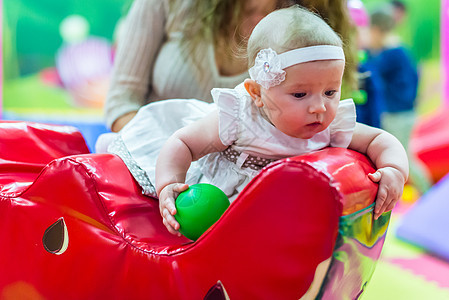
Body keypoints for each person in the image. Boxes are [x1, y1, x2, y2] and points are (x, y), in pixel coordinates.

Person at [107, 6, 409, 236]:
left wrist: (394, 169)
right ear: (257, 93)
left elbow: (379, 139)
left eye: (330, 91)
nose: (319, 107)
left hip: (277, 214)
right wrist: (170, 184)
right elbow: (183, 142)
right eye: (300, 94)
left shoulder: (328, 124)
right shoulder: (238, 117)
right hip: (220, 198)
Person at [103, 0, 358, 134]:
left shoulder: (314, 23)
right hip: (156, 181)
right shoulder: (174, 5)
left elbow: (325, 124)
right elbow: (121, 105)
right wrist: (181, 156)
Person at [368, 7, 432, 194]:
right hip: (404, 112)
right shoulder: (401, 51)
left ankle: (428, 193)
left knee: (402, 157)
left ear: (377, 29)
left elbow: (373, 71)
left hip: (398, 114)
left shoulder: (390, 54)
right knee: (405, 155)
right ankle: (427, 192)